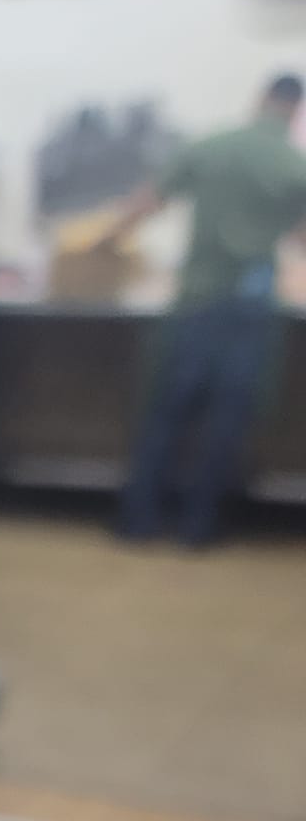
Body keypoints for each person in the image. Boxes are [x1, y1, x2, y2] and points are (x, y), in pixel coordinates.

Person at [105, 73, 306, 546]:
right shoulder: (294, 166)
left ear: (260, 98)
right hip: (252, 308)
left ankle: (139, 520)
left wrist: (102, 243)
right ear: (296, 109)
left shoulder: (212, 146)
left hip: (196, 301)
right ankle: (199, 528)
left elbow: (147, 202)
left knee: (165, 412)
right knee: (227, 422)